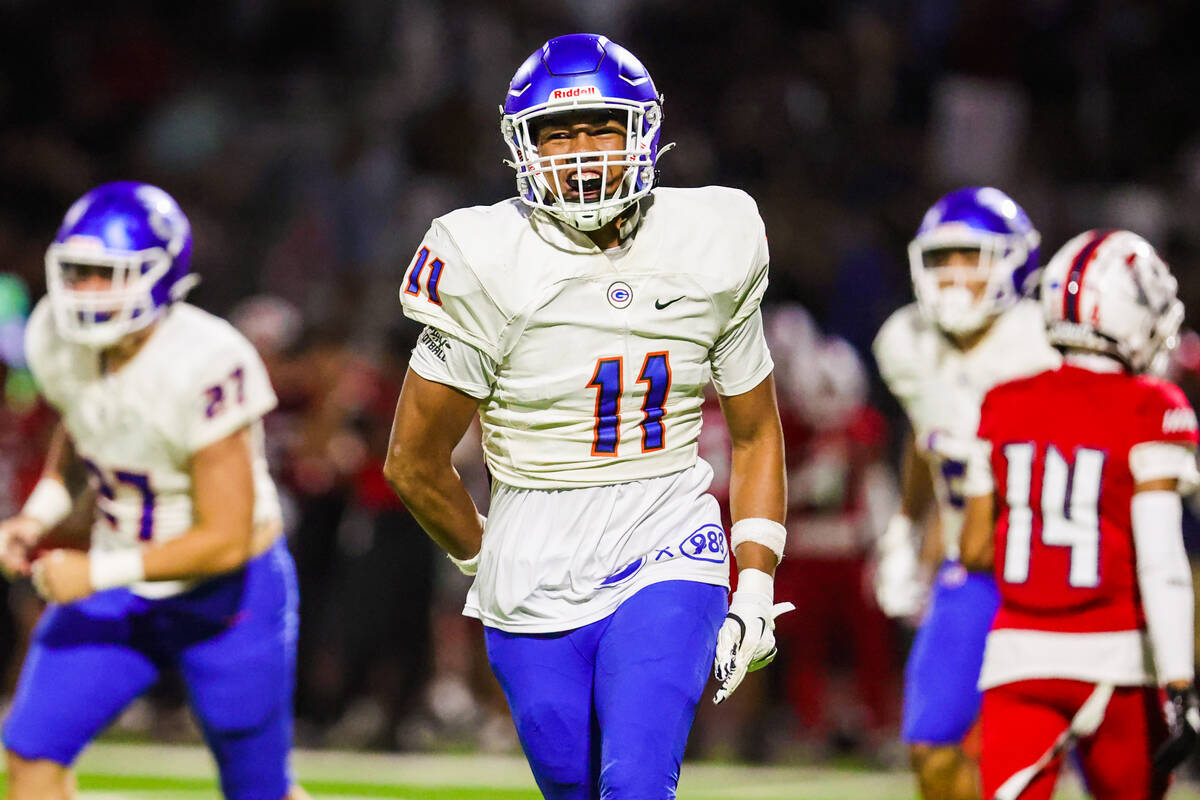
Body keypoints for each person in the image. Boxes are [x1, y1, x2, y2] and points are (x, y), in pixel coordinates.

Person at [383, 33, 789, 799]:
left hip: (667, 528)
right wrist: (484, 554)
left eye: (598, 125)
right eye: (555, 132)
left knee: (636, 785)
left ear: (643, 130)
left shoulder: (716, 236)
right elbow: (412, 461)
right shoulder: (483, 255)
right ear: (521, 148)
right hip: (533, 547)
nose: (579, 151)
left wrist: (757, 584)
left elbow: (756, 430)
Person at [0, 182, 306, 800]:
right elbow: (85, 429)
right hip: (118, 582)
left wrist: (95, 573)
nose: (85, 292)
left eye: (108, 275)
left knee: (258, 790)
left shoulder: (206, 360)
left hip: (227, 594)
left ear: (161, 276)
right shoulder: (56, 337)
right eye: (78, 272)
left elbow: (222, 540)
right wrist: (34, 519)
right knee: (31, 753)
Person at [959, 230, 1200, 800]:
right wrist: (1181, 684)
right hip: (1118, 660)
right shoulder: (1153, 406)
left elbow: (975, 548)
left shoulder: (1003, 401)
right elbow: (1162, 561)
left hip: (1017, 657)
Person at [871, 187, 1060, 799]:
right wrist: (906, 525)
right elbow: (927, 433)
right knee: (931, 745)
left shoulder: (1044, 347)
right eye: (942, 259)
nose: (954, 276)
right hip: (970, 570)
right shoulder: (908, 343)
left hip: (1052, 570)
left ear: (1012, 262)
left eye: (971, 257)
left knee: (1050, 758)